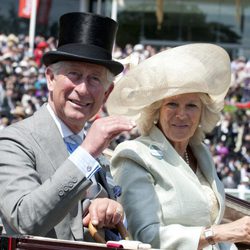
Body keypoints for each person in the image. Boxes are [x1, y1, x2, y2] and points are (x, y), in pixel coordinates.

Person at [0, 12, 135, 241]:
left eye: (95, 79)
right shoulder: (15, 141)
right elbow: (24, 221)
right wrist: (87, 152)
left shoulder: (100, 152)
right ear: (51, 79)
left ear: (107, 93)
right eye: (74, 74)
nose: (82, 89)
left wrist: (106, 208)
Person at [106, 43, 250, 249]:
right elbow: (145, 235)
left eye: (191, 105)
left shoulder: (202, 154)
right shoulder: (134, 155)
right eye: (172, 104)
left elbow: (216, 232)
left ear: (202, 113)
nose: (181, 114)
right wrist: (216, 233)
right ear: (156, 110)